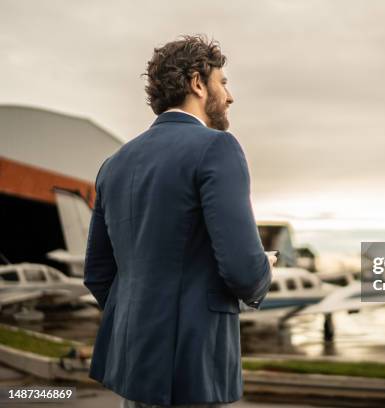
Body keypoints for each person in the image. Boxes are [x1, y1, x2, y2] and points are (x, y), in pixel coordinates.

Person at [83, 35, 275, 408]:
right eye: (223, 82)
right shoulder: (218, 147)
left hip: (133, 368)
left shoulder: (114, 165)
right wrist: (263, 268)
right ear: (197, 82)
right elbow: (242, 270)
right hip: (193, 366)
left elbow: (97, 273)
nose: (229, 95)